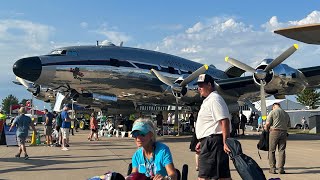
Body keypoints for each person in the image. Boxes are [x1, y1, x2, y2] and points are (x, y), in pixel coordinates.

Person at [195, 74, 231, 180]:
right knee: (221, 176)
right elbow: (211, 124)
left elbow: (224, 121)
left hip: (213, 143)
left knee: (204, 177)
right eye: (198, 86)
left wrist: (226, 142)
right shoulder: (209, 100)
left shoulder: (215, 99)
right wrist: (202, 141)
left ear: (209, 85)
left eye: (201, 85)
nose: (199, 88)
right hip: (210, 141)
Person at [265, 103, 291, 174]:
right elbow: (288, 125)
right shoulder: (286, 113)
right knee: (282, 150)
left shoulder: (273, 112)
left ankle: (272, 168)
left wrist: (266, 131)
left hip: (274, 132)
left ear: (273, 107)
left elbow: (267, 124)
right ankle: (281, 169)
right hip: (284, 132)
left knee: (272, 150)